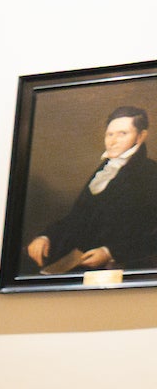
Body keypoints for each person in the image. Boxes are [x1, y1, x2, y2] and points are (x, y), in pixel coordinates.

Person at [26, 106, 157, 273]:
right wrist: (46, 236)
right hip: (81, 261)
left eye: (122, 134)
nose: (113, 141)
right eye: (110, 134)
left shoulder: (151, 173)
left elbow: (151, 236)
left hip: (125, 268)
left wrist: (110, 253)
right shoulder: (105, 169)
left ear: (141, 136)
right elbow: (78, 217)